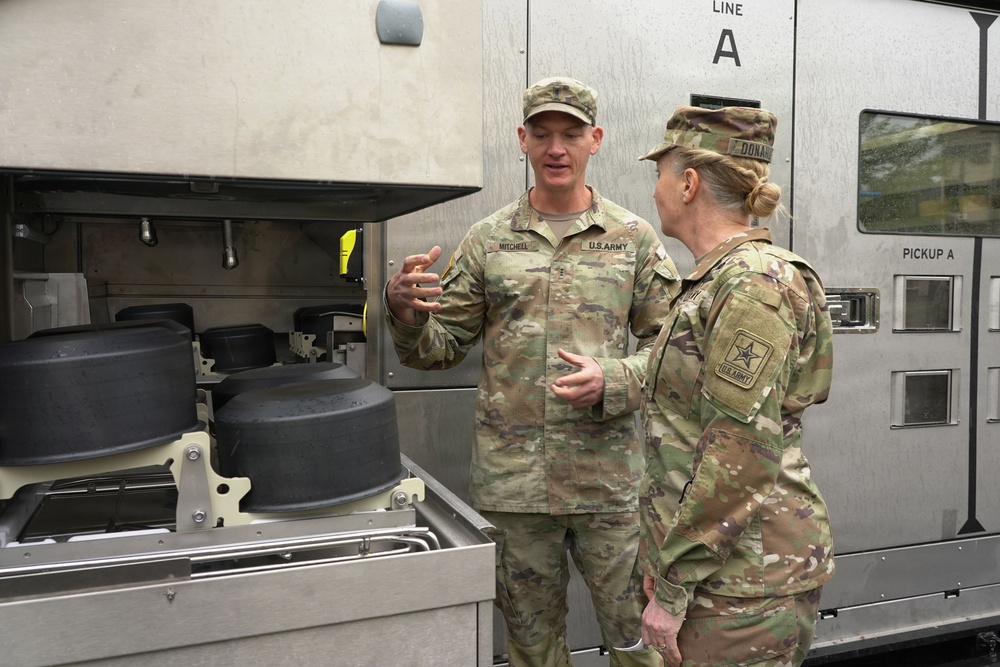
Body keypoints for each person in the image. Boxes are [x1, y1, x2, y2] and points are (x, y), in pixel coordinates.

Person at [384, 77, 679, 666]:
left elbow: (676, 357)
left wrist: (613, 380)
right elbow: (439, 350)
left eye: (571, 134)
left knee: (637, 640)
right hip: (515, 490)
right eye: (542, 134)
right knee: (531, 645)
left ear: (595, 140)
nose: (557, 148)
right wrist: (406, 315)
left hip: (610, 487)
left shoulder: (633, 239)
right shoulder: (489, 240)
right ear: (522, 139)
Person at [634, 106, 835, 667]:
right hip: (719, 566)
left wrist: (673, 589)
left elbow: (740, 453)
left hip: (742, 579)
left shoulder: (750, 286)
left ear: (689, 183)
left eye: (661, 174)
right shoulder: (719, 280)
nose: (656, 191)